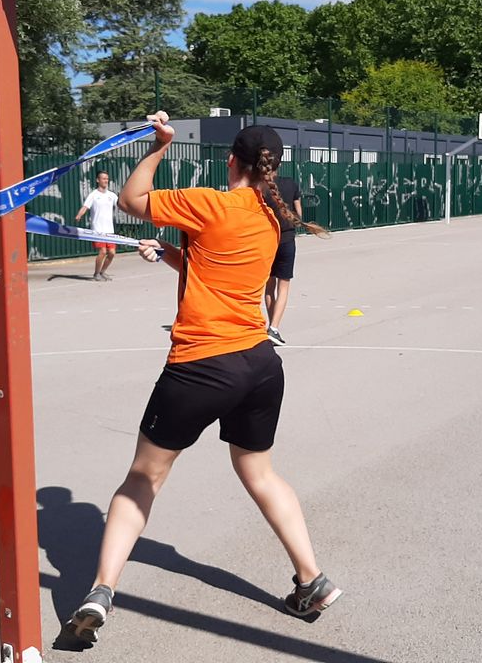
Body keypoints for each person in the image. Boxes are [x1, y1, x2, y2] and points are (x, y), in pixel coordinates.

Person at [65, 113, 339, 645]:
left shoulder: (211, 202)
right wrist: (169, 253)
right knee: (259, 472)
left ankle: (101, 589)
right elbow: (216, 268)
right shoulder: (272, 214)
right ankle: (312, 580)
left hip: (201, 365)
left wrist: (160, 144)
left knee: (143, 479)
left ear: (231, 161)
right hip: (259, 364)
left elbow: (131, 200)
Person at [264, 176, 302, 346]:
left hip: (267, 241)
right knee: (283, 287)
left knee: (269, 288)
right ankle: (274, 328)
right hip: (287, 241)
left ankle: (272, 327)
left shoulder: (260, 186)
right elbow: (299, 214)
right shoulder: (291, 183)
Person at [75, 170, 118, 281]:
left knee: (112, 253)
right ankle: (96, 273)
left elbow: (121, 205)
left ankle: (102, 272)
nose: (106, 181)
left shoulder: (112, 195)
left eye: (107, 179)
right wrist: (79, 215)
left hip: (109, 230)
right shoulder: (93, 195)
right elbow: (85, 207)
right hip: (98, 229)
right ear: (98, 180)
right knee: (102, 252)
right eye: (103, 178)